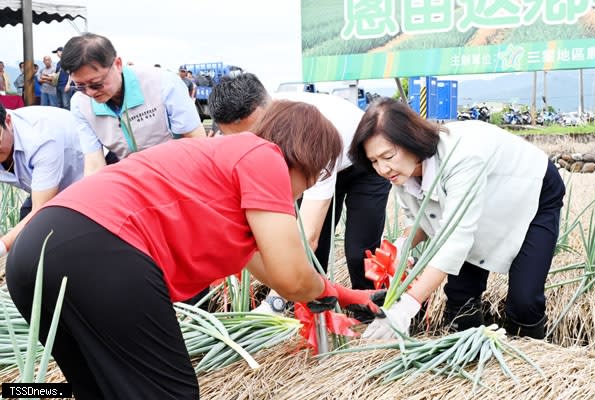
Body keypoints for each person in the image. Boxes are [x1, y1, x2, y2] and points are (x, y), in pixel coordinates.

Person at [6, 100, 379, 399]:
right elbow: (292, 278)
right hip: (100, 252)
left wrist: (344, 295)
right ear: (306, 158)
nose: (297, 195)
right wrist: (320, 291)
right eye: (310, 180)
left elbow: (271, 270)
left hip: (33, 256)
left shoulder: (219, 170)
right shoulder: (264, 156)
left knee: (100, 389)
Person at [348, 98, 565, 340]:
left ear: (410, 140)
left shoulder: (461, 156)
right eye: (374, 161)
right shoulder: (402, 173)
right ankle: (472, 357)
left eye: (387, 155)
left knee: (524, 300)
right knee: (460, 295)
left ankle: (526, 363)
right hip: (481, 204)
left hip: (533, 191)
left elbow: (455, 239)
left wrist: (408, 305)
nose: (382, 169)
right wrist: (402, 246)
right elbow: (419, 219)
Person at [208, 73, 391, 319]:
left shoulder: (308, 131)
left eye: (257, 134)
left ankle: (369, 312)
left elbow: (307, 236)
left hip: (358, 162)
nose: (252, 145)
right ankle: (313, 311)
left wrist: (274, 300)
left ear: (271, 111)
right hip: (308, 162)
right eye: (241, 139)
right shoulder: (225, 141)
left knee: (359, 248)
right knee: (316, 253)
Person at [60, 33, 206, 176]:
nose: (90, 93)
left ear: (117, 65)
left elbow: (196, 140)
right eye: (80, 86)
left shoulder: (162, 83)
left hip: (175, 171)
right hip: (131, 177)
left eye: (96, 84)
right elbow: (94, 163)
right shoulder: (80, 104)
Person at [0, 103, 84, 258]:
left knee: (56, 239)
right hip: (47, 184)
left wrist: (2, 245)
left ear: (8, 121)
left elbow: (40, 209)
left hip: (86, 176)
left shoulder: (39, 137)